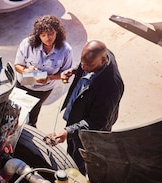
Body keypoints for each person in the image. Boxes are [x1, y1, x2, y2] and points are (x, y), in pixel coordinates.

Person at [44, 40, 124, 175]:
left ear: (104, 60)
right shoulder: (100, 56)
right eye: (82, 63)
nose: (84, 68)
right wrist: (76, 69)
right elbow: (86, 62)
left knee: (79, 159)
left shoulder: (110, 88)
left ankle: (76, 179)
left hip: (88, 133)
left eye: (89, 65)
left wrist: (69, 131)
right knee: (71, 147)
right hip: (77, 116)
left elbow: (97, 123)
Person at [14, 15, 73, 127]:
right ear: (38, 35)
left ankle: (32, 126)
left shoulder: (66, 50)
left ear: (57, 33)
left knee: (34, 110)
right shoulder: (27, 44)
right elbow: (17, 65)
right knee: (17, 111)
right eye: (43, 35)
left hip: (44, 90)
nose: (47, 38)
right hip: (23, 85)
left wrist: (49, 78)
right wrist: (27, 71)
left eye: (51, 34)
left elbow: (66, 74)